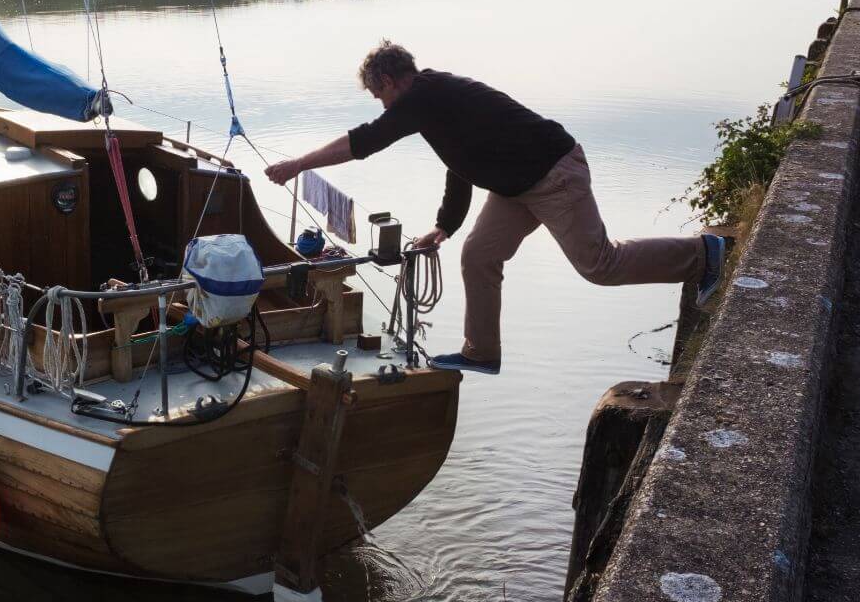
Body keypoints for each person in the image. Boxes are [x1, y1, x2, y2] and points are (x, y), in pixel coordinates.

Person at [264, 40, 725, 375]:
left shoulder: (424, 96)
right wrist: (444, 226)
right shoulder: (431, 104)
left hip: (553, 173)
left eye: (378, 95)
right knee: (479, 254)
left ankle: (703, 253)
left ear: (389, 81)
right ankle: (481, 352)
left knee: (599, 265)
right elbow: (461, 163)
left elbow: (366, 140)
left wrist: (299, 164)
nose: (381, 105)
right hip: (515, 185)